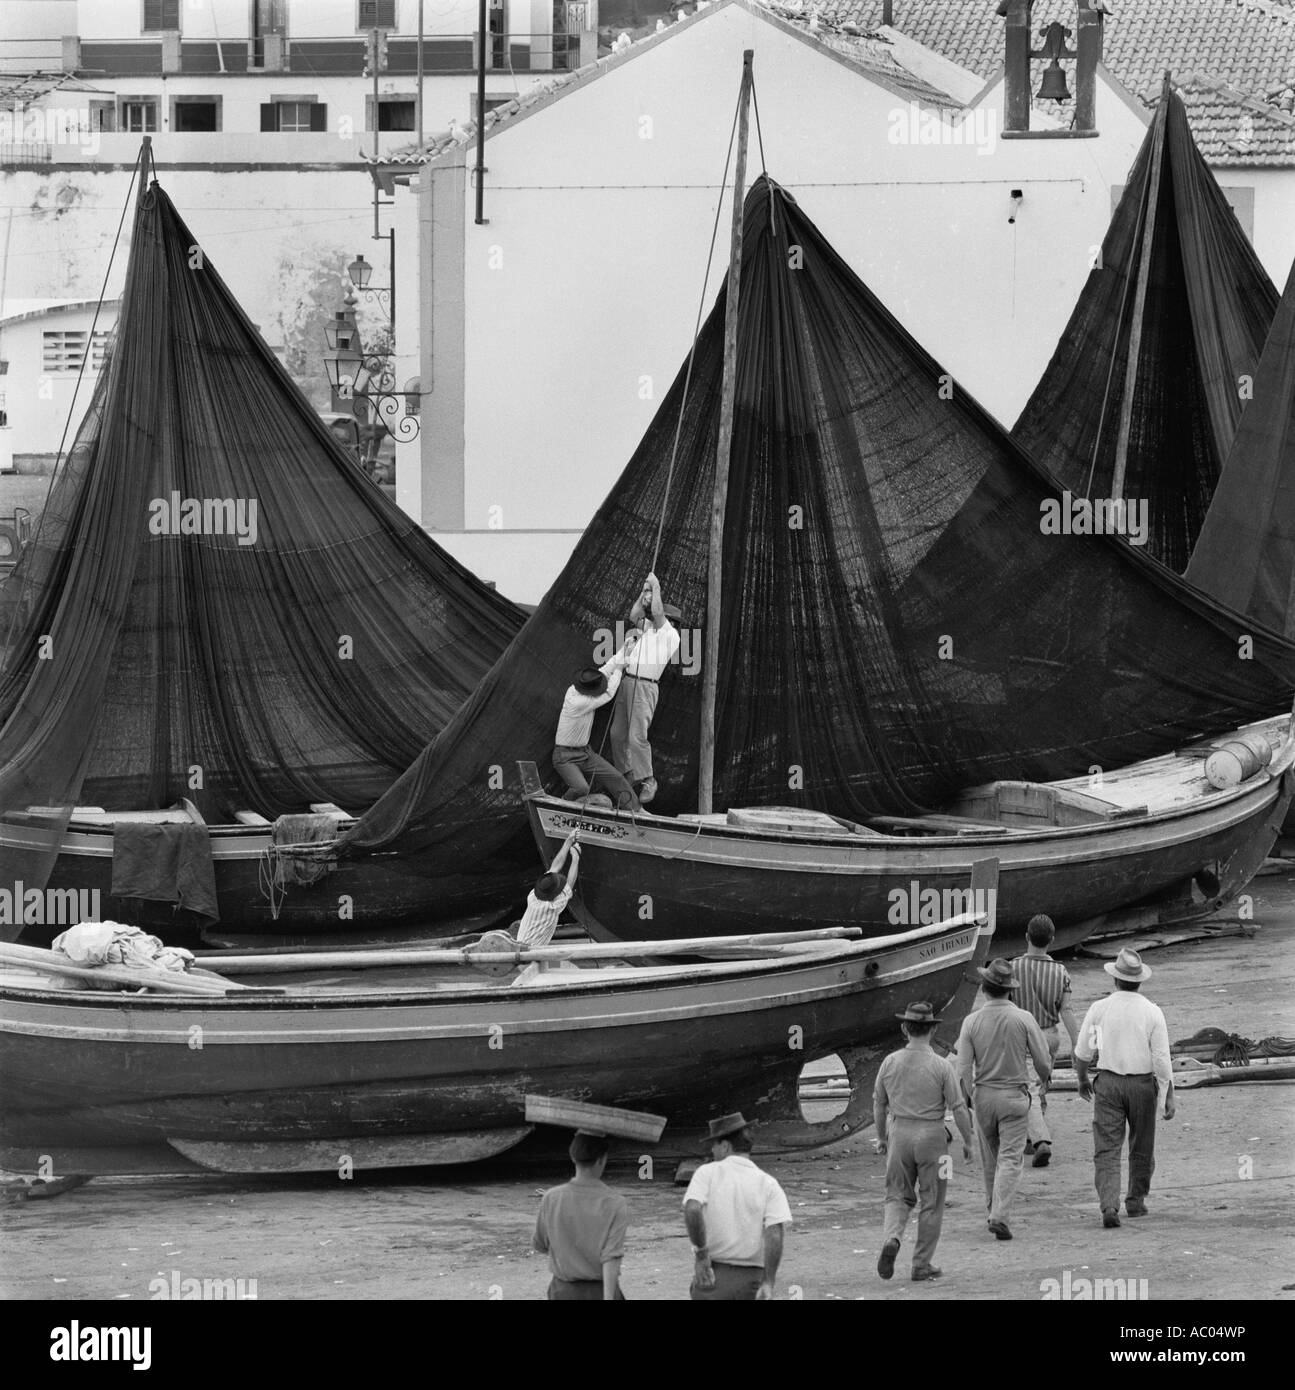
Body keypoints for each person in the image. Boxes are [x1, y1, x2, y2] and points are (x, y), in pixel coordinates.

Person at [1073, 947, 1175, 1228]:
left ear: (1114, 979)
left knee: (1106, 1148)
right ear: (1139, 980)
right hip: (1143, 1084)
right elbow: (1161, 1059)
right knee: (1142, 1145)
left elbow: (1083, 1053)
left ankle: (1108, 1204)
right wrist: (1168, 1095)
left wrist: (1082, 1079)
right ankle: (1135, 1200)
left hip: (1108, 1084)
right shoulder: (1152, 1012)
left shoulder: (1100, 1009)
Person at [873, 1001, 973, 1283]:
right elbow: (959, 1107)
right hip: (935, 1140)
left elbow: (879, 1105)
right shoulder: (942, 1066)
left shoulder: (889, 1062)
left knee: (896, 1194)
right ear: (931, 1030)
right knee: (934, 1200)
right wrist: (968, 1141)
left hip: (899, 1135)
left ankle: (892, 1237)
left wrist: (882, 1138)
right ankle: (922, 1263)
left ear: (905, 1028)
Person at [955, 957, 1052, 1241]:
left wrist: (968, 1097)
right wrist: (1044, 1079)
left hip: (984, 1095)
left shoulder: (971, 1022)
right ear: (1010, 990)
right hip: (1014, 1095)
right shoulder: (1023, 1018)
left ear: (984, 989)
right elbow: (1043, 1060)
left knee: (990, 1160)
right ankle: (1000, 1215)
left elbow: (962, 1068)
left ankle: (991, 1209)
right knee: (1011, 1158)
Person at [683, 1112, 791, 1300]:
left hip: (712, 1277)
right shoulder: (768, 1183)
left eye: (714, 1146)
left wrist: (701, 1254)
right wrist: (768, 1282)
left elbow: (692, 1208)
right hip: (750, 1282)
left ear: (725, 1146)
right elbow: (775, 1232)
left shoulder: (706, 1173)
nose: (712, 1152)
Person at [1011, 913, 1080, 1168]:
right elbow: (1067, 1010)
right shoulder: (1060, 971)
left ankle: (1040, 1140)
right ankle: (1032, 1136)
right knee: (1041, 1082)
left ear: (1027, 936)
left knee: (1026, 1086)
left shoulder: (1013, 967)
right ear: (1052, 939)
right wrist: (1077, 1043)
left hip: (1022, 1035)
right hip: (1050, 1035)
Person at [610, 572, 681, 806]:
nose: (653, 615)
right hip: (628, 681)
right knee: (617, 734)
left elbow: (658, 613)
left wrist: (656, 585)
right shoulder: (649, 628)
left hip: (645, 686)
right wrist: (643, 594)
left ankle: (649, 779)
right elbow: (633, 615)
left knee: (636, 736)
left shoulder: (670, 634)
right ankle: (628, 773)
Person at [533, 1130, 629, 1300]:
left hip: (561, 1291)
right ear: (602, 1160)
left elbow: (540, 1244)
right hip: (600, 1292)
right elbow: (611, 1258)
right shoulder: (615, 1203)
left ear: (573, 1158)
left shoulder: (551, 1198)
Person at [553, 634, 641, 811]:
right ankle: (561, 805)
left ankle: (636, 811)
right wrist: (620, 668)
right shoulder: (578, 701)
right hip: (564, 757)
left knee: (616, 777)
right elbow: (609, 693)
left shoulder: (578, 688)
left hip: (585, 753)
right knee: (581, 788)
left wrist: (625, 648)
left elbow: (606, 669)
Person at [513, 829, 581, 950]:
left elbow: (554, 867)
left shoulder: (533, 896)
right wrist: (575, 858)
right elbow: (570, 884)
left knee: (558, 963)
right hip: (531, 955)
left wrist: (568, 841)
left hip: (521, 947)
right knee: (559, 963)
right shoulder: (551, 908)